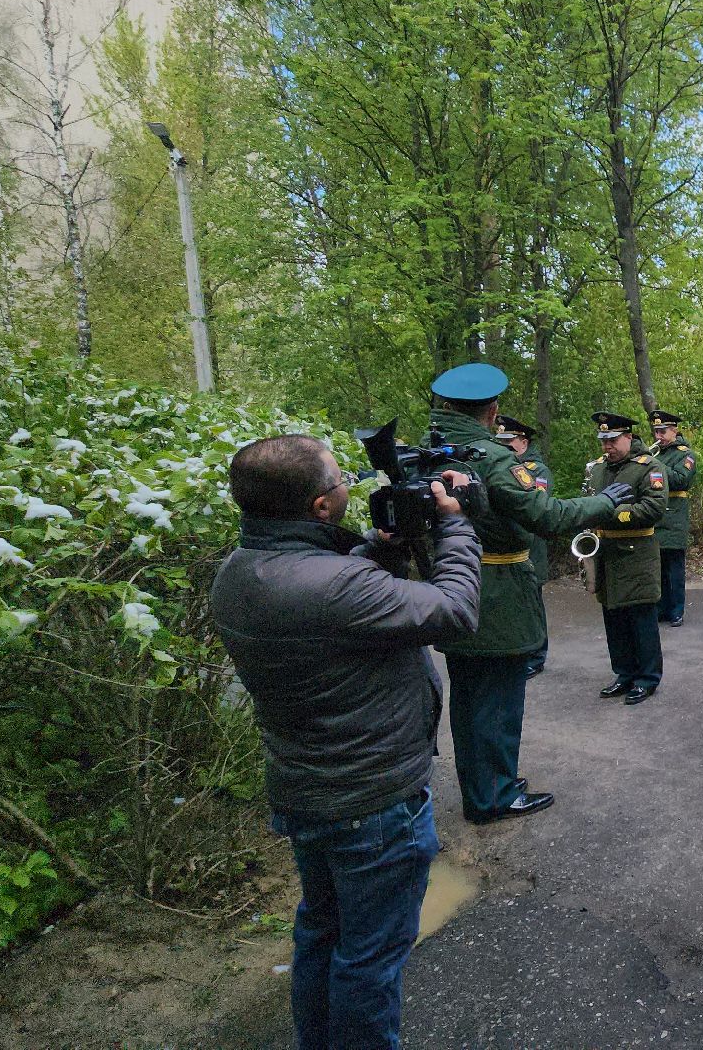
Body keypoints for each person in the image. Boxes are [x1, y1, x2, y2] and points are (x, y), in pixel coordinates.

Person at [211, 435, 478, 1050]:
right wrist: (457, 531)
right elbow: (455, 612)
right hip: (373, 803)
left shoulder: (240, 571)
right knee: (369, 960)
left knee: (322, 935)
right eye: (339, 480)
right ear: (319, 507)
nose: (348, 486)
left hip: (308, 789)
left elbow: (333, 599)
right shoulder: (329, 586)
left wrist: (373, 550)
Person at [428, 363, 631, 822]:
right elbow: (548, 516)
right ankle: (492, 797)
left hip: (455, 584)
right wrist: (606, 500)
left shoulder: (435, 451)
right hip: (495, 594)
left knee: (470, 699)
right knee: (496, 702)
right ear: (492, 411)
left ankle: (485, 784)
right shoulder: (490, 457)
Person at [585, 412, 668, 705]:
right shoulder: (597, 469)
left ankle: (647, 678)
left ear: (628, 438)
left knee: (640, 618)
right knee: (614, 616)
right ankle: (623, 673)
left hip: (637, 553)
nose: (607, 446)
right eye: (603, 441)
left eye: (612, 440)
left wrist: (610, 513)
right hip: (606, 553)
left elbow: (654, 508)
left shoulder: (648, 467)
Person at [495, 416, 551, 678]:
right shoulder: (502, 466)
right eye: (501, 440)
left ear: (524, 442)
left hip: (531, 545)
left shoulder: (537, 470)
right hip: (510, 544)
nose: (503, 445)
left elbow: (538, 503)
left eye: (509, 441)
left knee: (533, 601)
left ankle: (538, 655)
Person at [649, 410, 697, 627]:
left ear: (674, 431)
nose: (658, 436)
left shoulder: (685, 454)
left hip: (674, 517)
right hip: (656, 517)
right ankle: (661, 608)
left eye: (663, 431)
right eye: (656, 431)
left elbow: (681, 480)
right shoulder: (656, 454)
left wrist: (656, 466)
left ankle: (677, 610)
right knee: (658, 567)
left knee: (674, 568)